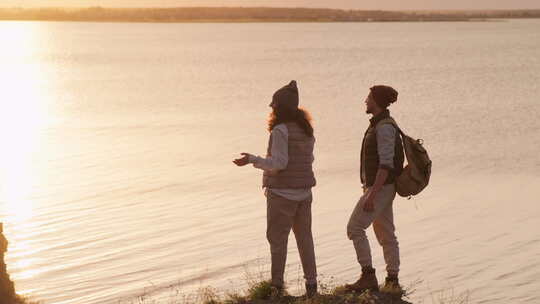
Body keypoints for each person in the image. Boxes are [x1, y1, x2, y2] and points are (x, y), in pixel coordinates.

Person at [233, 80, 318, 298]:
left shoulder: (280, 130)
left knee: (278, 241)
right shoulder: (306, 129)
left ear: (280, 108)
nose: (271, 108)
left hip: (282, 194)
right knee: (305, 239)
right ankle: (311, 287)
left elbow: (279, 163)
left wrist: (253, 159)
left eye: (274, 105)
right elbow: (308, 158)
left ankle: (276, 287)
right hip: (304, 193)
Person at [345, 85, 405, 294]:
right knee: (386, 233)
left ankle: (368, 276)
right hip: (382, 187)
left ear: (377, 101)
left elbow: (386, 164)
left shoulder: (384, 127)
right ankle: (392, 280)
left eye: (369, 97)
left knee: (354, 228)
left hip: (380, 188)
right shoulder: (380, 124)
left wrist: (372, 193)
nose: (365, 100)